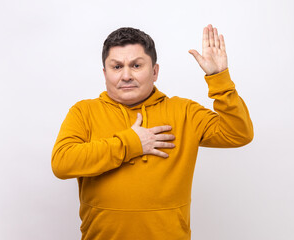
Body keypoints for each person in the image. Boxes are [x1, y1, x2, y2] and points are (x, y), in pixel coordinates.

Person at [51, 24, 253, 240]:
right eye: (117, 67)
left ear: (155, 71)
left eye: (136, 65)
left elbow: (238, 133)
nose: (126, 75)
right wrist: (130, 144)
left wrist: (219, 78)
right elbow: (62, 163)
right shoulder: (84, 112)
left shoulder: (184, 111)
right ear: (105, 72)